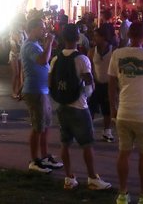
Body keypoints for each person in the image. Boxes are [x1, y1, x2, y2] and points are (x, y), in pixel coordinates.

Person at [108, 22, 143, 204]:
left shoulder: (117, 54)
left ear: (128, 35)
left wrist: (113, 108)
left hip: (123, 112)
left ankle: (123, 194)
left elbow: (110, 83)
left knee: (123, 153)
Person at [51, 24, 112, 192]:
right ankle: (92, 177)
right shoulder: (82, 59)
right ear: (78, 38)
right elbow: (89, 81)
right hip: (79, 106)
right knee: (87, 144)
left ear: (63, 39)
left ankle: (69, 178)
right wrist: (86, 94)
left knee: (65, 143)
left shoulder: (56, 59)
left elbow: (51, 81)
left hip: (62, 106)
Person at [22, 17, 63, 173]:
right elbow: (43, 60)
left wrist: (48, 44)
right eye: (41, 28)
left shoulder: (36, 45)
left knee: (45, 126)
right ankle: (34, 160)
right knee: (37, 127)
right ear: (32, 29)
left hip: (42, 90)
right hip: (34, 91)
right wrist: (49, 44)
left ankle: (45, 157)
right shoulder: (29, 46)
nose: (44, 30)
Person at [88, 27, 115, 143]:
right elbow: (88, 67)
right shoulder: (92, 51)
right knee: (91, 108)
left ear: (104, 37)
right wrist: (91, 80)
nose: (94, 38)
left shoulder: (113, 51)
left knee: (107, 109)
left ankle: (107, 131)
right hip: (95, 84)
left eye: (97, 36)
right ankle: (89, 130)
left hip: (108, 84)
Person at [9, 20, 26, 100]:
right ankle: (13, 91)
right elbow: (14, 46)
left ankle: (19, 91)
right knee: (16, 73)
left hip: (21, 54)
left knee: (20, 74)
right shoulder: (12, 33)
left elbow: (26, 41)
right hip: (14, 55)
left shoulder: (23, 32)